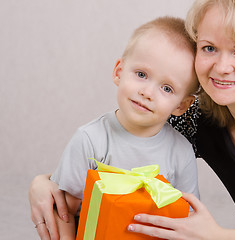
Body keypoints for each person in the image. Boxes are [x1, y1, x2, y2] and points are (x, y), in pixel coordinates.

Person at [30, 0, 235, 239]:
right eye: (208, 47)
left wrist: (219, 238)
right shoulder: (198, 112)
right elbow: (122, 150)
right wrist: (44, 182)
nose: (220, 67)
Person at [29, 16, 200, 239]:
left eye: (166, 88)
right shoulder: (90, 139)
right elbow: (64, 210)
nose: (147, 92)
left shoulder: (181, 151)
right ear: (119, 72)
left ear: (181, 105)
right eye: (141, 74)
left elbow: (188, 217)